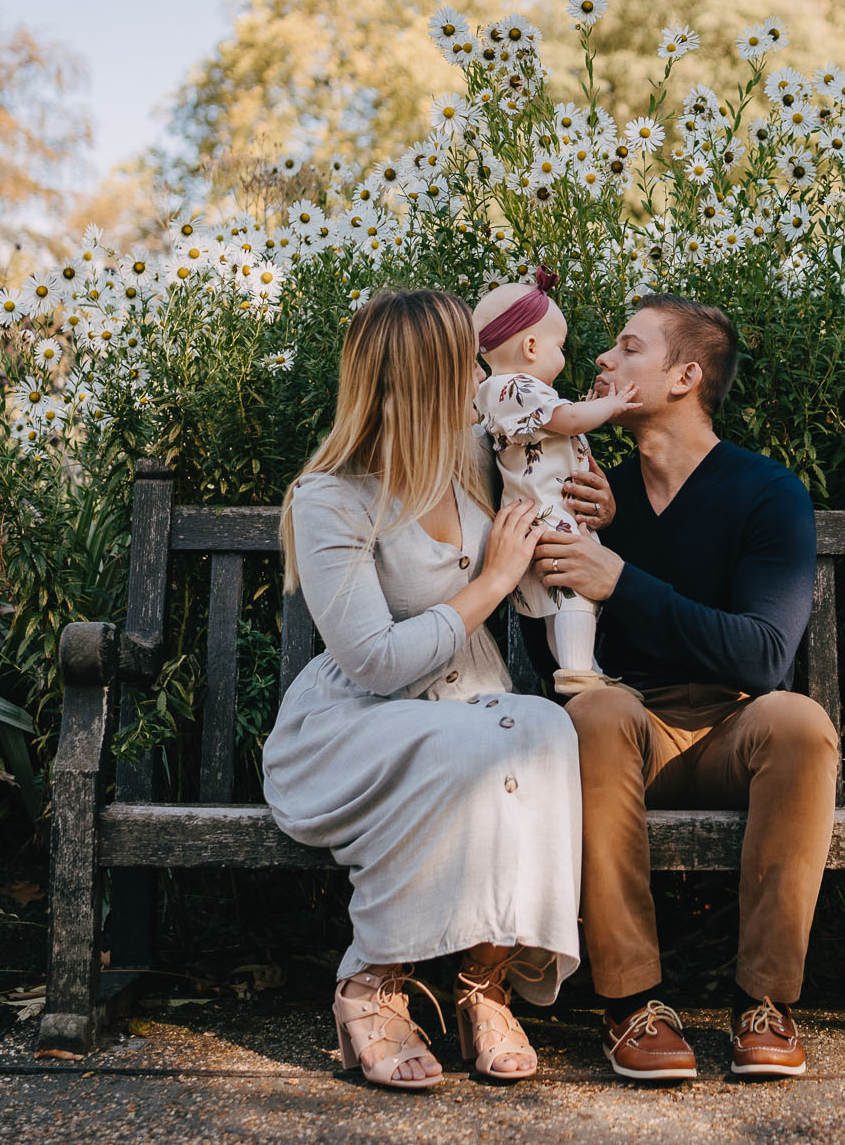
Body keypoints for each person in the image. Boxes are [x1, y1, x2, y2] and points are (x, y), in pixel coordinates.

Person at [261, 289, 585, 1090]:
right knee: (466, 740)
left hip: (470, 706)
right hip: (356, 727)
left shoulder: (475, 455)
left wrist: (588, 503)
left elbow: (547, 478)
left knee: (546, 728)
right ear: (423, 376)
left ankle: (485, 980)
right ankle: (371, 980)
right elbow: (373, 660)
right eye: (461, 362)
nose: (482, 370)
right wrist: (492, 581)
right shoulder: (330, 496)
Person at [533, 294, 838, 1081]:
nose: (602, 361)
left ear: (684, 376)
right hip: (629, 724)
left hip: (736, 729)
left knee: (801, 721)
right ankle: (631, 1003)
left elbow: (764, 657)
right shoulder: (595, 491)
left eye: (627, 348)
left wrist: (623, 578)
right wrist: (606, 535)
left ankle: (765, 1003)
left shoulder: (768, 493)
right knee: (593, 709)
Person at [470, 268, 640, 695]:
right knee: (577, 594)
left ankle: (576, 668)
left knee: (555, 606)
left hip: (531, 517)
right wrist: (611, 406)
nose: (563, 359)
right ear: (530, 346)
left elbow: (557, 426)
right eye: (559, 348)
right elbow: (566, 420)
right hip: (552, 515)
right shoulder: (521, 387)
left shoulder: (496, 390)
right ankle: (580, 673)